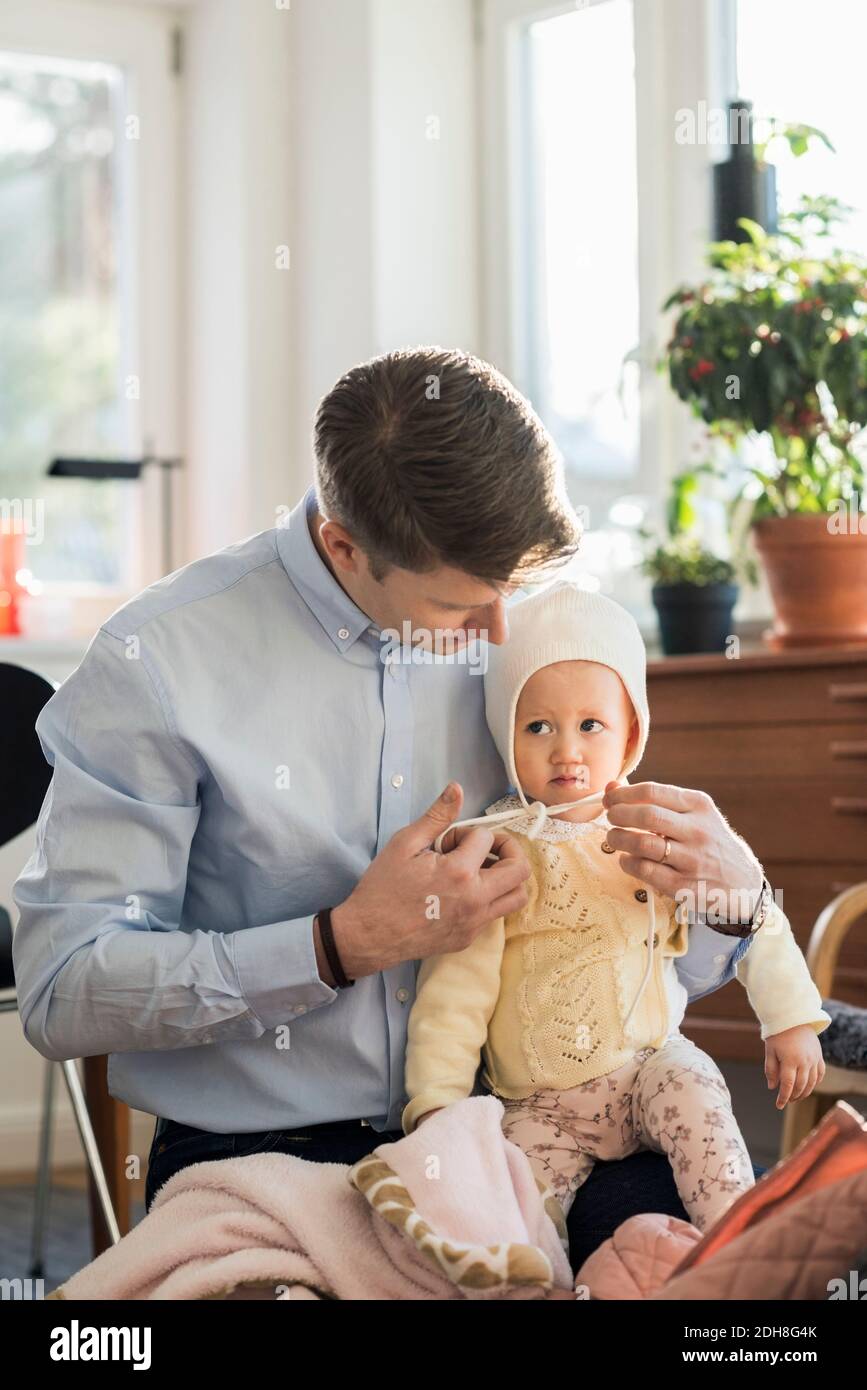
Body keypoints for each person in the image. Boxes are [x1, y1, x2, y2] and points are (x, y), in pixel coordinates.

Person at [12, 347, 762, 1264]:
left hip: (532, 1125)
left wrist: (729, 905)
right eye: (456, 608)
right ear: (342, 547)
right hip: (272, 1148)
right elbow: (61, 992)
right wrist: (335, 946)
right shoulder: (157, 663)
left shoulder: (532, 641)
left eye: (509, 595)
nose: (495, 636)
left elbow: (634, 959)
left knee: (714, 1286)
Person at [403, 582, 830, 1232]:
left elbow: (750, 912)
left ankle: (735, 1241)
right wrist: (437, 1109)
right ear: (503, 733)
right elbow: (453, 994)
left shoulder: (655, 827)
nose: (565, 750)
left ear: (629, 733)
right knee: (505, 1210)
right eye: (537, 726)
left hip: (650, 1065)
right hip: (539, 1104)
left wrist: (789, 1019)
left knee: (699, 1103)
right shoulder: (496, 852)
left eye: (589, 725)